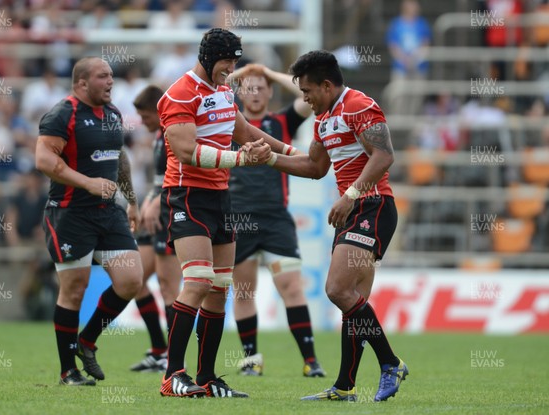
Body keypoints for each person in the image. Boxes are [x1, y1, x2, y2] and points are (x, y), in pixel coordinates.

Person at [157, 27, 294, 398]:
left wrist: (289, 152)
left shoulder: (222, 92)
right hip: (187, 195)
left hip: (221, 198)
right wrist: (240, 159)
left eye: (235, 61)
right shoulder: (179, 94)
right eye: (227, 61)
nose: (231, 68)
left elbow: (245, 131)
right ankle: (172, 375)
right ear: (207, 58)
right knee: (199, 281)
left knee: (219, 289)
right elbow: (186, 152)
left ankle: (207, 377)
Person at [265, 50, 408, 402]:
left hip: (373, 206)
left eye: (308, 91)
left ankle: (390, 363)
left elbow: (385, 155)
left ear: (327, 85)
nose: (306, 99)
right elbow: (315, 166)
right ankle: (345, 387)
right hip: (352, 211)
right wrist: (267, 157)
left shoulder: (358, 104)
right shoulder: (323, 119)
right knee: (351, 302)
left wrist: (352, 194)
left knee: (337, 290)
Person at [35, 57, 143, 386]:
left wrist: (133, 200)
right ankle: (69, 371)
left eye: (111, 76)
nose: (111, 81)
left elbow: (119, 157)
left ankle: (87, 341)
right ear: (82, 83)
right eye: (102, 77)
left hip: (108, 212)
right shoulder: (61, 114)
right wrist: (87, 183)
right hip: (70, 213)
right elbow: (43, 159)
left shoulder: (112, 114)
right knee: (74, 289)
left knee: (131, 280)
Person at [225, 63, 324, 377]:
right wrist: (238, 75)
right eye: (248, 88)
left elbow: (307, 97)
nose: (255, 93)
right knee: (243, 292)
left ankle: (311, 361)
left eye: (261, 87)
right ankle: (251, 360)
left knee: (292, 288)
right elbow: (206, 89)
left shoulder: (281, 121)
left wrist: (268, 71)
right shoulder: (227, 123)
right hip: (238, 219)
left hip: (275, 220)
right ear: (239, 92)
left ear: (269, 92)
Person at [128, 85, 182, 373]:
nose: (142, 122)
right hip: (157, 216)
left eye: (145, 115)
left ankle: (174, 359)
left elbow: (175, 178)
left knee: (168, 287)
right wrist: (148, 201)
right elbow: (160, 179)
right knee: (133, 279)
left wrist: (154, 200)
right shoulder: (159, 138)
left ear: (159, 111)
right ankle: (159, 349)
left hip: (172, 215)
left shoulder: (174, 135)